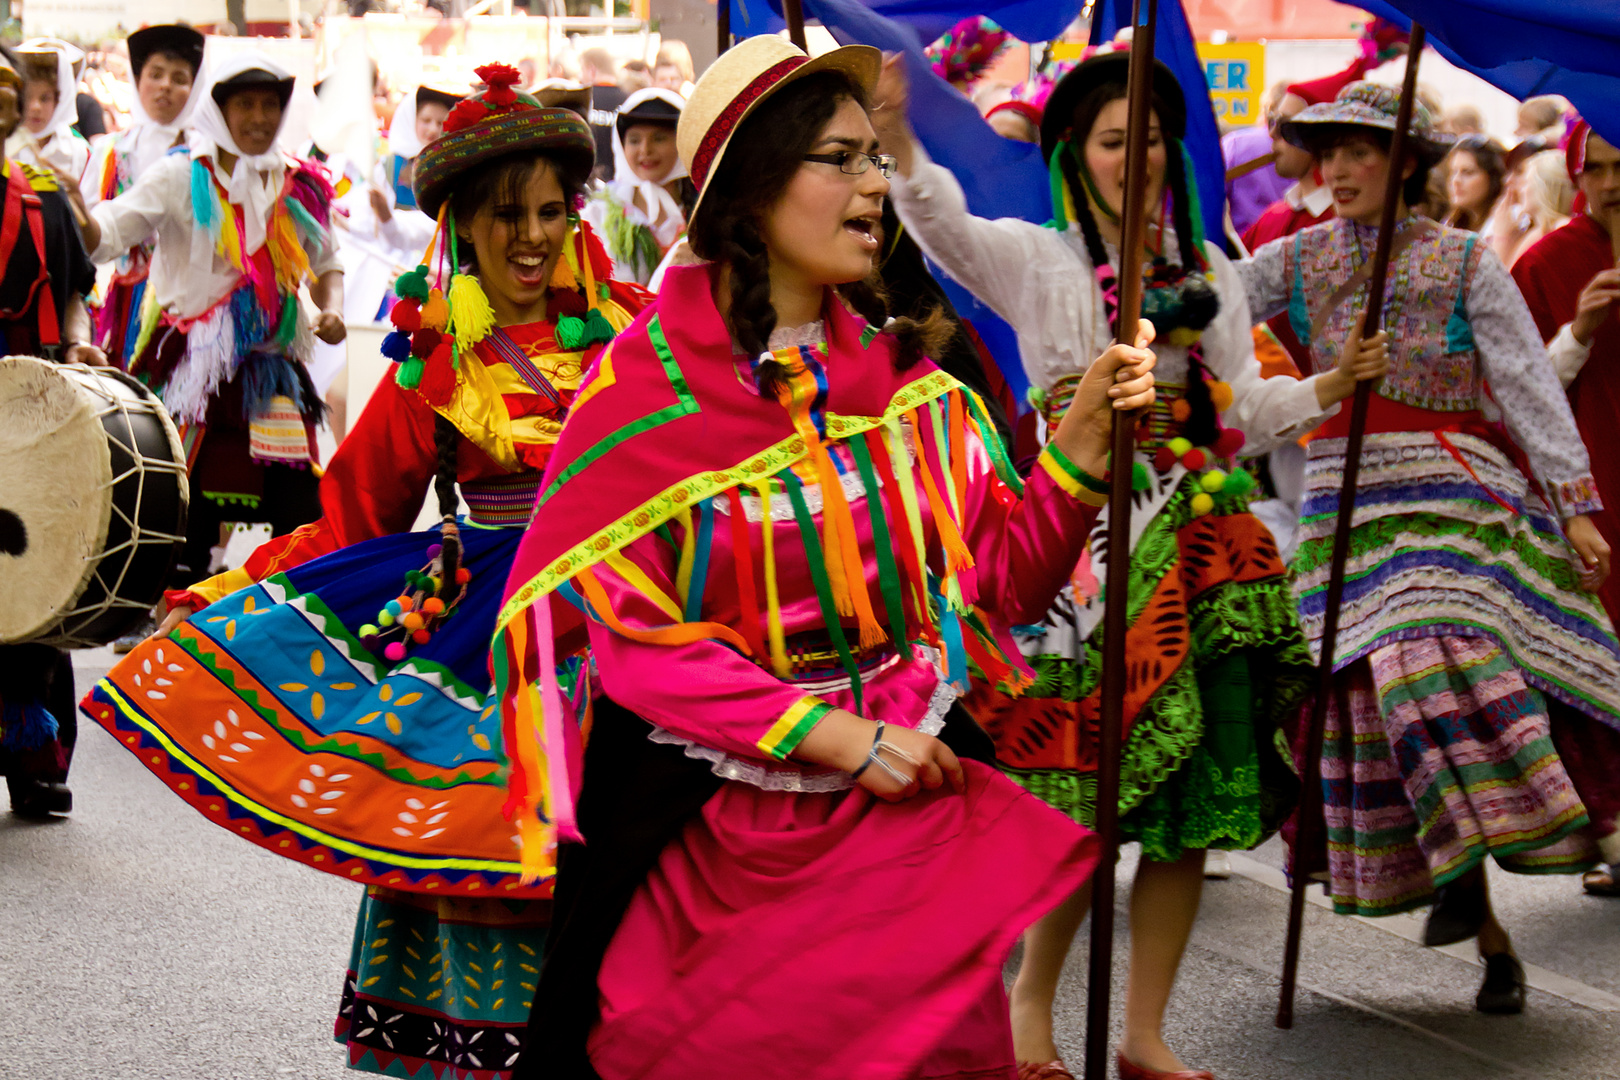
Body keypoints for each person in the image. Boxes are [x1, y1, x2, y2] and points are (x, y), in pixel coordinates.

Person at [500, 35, 1154, 1080]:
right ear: (751, 189)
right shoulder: (643, 402)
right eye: (838, 160)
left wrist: (1074, 455)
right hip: (724, 840)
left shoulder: (912, 390)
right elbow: (635, 646)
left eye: (873, 158)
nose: (872, 184)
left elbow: (1005, 589)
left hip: (906, 817)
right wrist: (833, 734)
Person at [81, 63, 650, 1079]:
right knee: (493, 861)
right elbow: (349, 518)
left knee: (649, 861)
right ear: (460, 229)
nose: (530, 235)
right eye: (503, 215)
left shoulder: (640, 336)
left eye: (551, 211)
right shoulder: (435, 367)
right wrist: (216, 597)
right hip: (501, 650)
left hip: (641, 630)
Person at [874, 46, 1385, 1079]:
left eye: (1152, 135)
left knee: (1187, 803)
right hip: (1083, 542)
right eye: (1116, 138)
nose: (1137, 153)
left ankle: (1144, 1033)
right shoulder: (1038, 259)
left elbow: (1244, 402)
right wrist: (894, 139)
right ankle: (1031, 1018)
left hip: (1196, 536)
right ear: (1076, 155)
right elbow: (939, 228)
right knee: (1076, 802)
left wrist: (1331, 384)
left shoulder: (1210, 267)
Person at [1244, 81, 1620, 1016]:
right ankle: (1485, 924)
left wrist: (1573, 502)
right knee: (1368, 708)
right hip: (1342, 506)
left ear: (1406, 162)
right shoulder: (1291, 259)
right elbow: (1202, 310)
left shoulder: (1461, 263)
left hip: (1452, 490)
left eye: (1359, 149)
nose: (1336, 165)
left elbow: (1528, 379)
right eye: (1326, 149)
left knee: (1424, 642)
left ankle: (1485, 871)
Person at [69, 52, 346, 594]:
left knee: (297, 507)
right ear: (219, 111)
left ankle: (284, 613)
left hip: (271, 373)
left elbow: (327, 260)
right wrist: (70, 211)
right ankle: (167, 621)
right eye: (246, 104)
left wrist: (330, 306)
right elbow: (108, 233)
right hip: (188, 371)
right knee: (177, 504)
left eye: (271, 105)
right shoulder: (178, 175)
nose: (260, 118)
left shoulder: (299, 183)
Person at [1512, 121, 1620, 898]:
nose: (1613, 186)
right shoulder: (1549, 262)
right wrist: (1578, 329)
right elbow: (1519, 391)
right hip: (1592, 487)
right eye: (1600, 169)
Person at [0, 43, 104, 820]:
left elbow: (71, 294)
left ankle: (36, 758)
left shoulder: (41, 203)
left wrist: (75, 345)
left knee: (35, 582)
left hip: (24, 416)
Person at [81, 24, 206, 370]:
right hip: (127, 304)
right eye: (155, 74)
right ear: (138, 81)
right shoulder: (110, 151)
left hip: (186, 303)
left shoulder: (204, 156)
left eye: (179, 78)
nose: (165, 85)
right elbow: (92, 226)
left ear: (195, 88)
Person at [579, 87, 693, 285]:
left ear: (681, 142)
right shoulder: (599, 213)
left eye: (659, 139)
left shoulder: (703, 212)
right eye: (634, 140)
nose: (645, 150)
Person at [9, 41, 91, 181]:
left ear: (59, 101)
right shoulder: (5, 146)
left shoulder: (78, 152)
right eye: (27, 97)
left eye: (44, 98)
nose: (35, 107)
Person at [1222, 81, 1292, 237]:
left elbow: (1210, 195)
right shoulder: (1306, 150)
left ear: (1267, 110)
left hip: (1241, 248)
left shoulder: (1235, 144)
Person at [1443, 134, 1507, 232]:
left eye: (1468, 172)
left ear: (1493, 178)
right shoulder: (1450, 223)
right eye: (1453, 172)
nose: (1456, 181)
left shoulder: (1506, 224)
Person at [580, 46, 626, 181]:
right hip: (619, 180)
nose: (580, 77)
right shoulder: (628, 100)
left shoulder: (583, 100)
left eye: (582, 70)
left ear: (591, 69)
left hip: (588, 179)